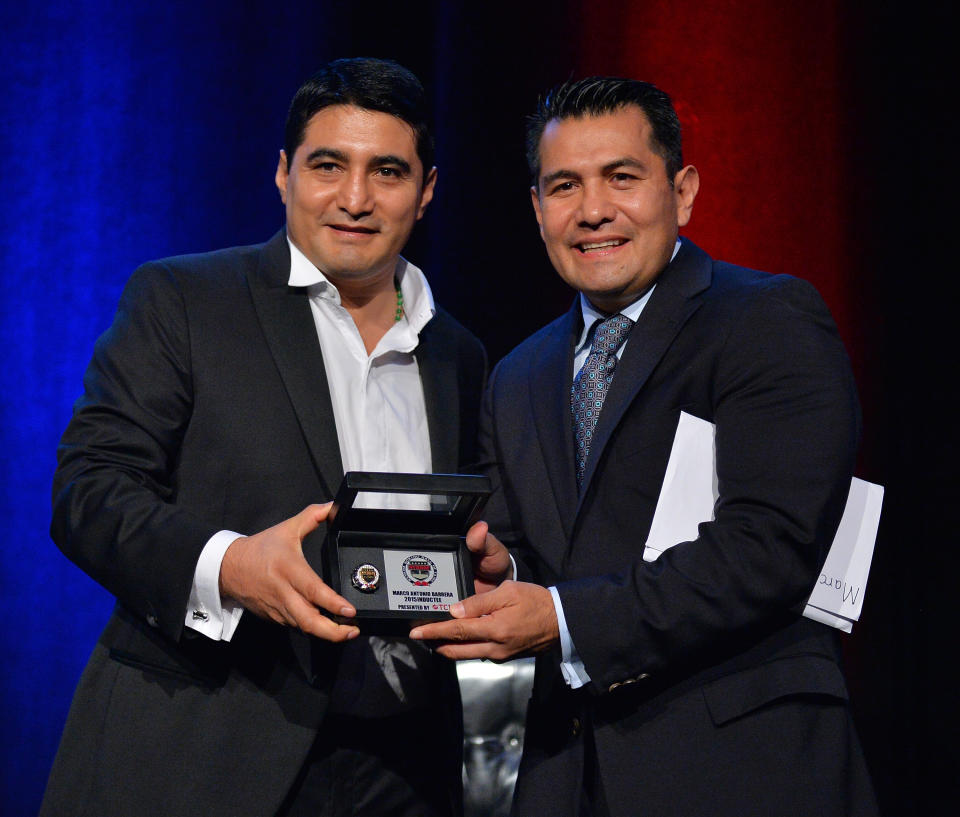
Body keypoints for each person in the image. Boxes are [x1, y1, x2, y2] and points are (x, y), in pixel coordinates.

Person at [411, 77, 879, 816]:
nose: (593, 209)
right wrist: (504, 570)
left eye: (622, 177)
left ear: (683, 191)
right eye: (564, 185)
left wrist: (561, 617)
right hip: (568, 776)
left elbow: (772, 548)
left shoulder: (766, 319)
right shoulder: (516, 375)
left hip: (743, 771)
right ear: (537, 210)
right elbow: (538, 564)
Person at [42, 58, 485, 817]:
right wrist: (231, 564)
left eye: (386, 171)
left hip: (407, 765)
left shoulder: (460, 354)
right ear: (283, 174)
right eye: (326, 165)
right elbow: (88, 492)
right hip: (203, 751)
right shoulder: (184, 298)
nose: (354, 198)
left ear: (428, 190)